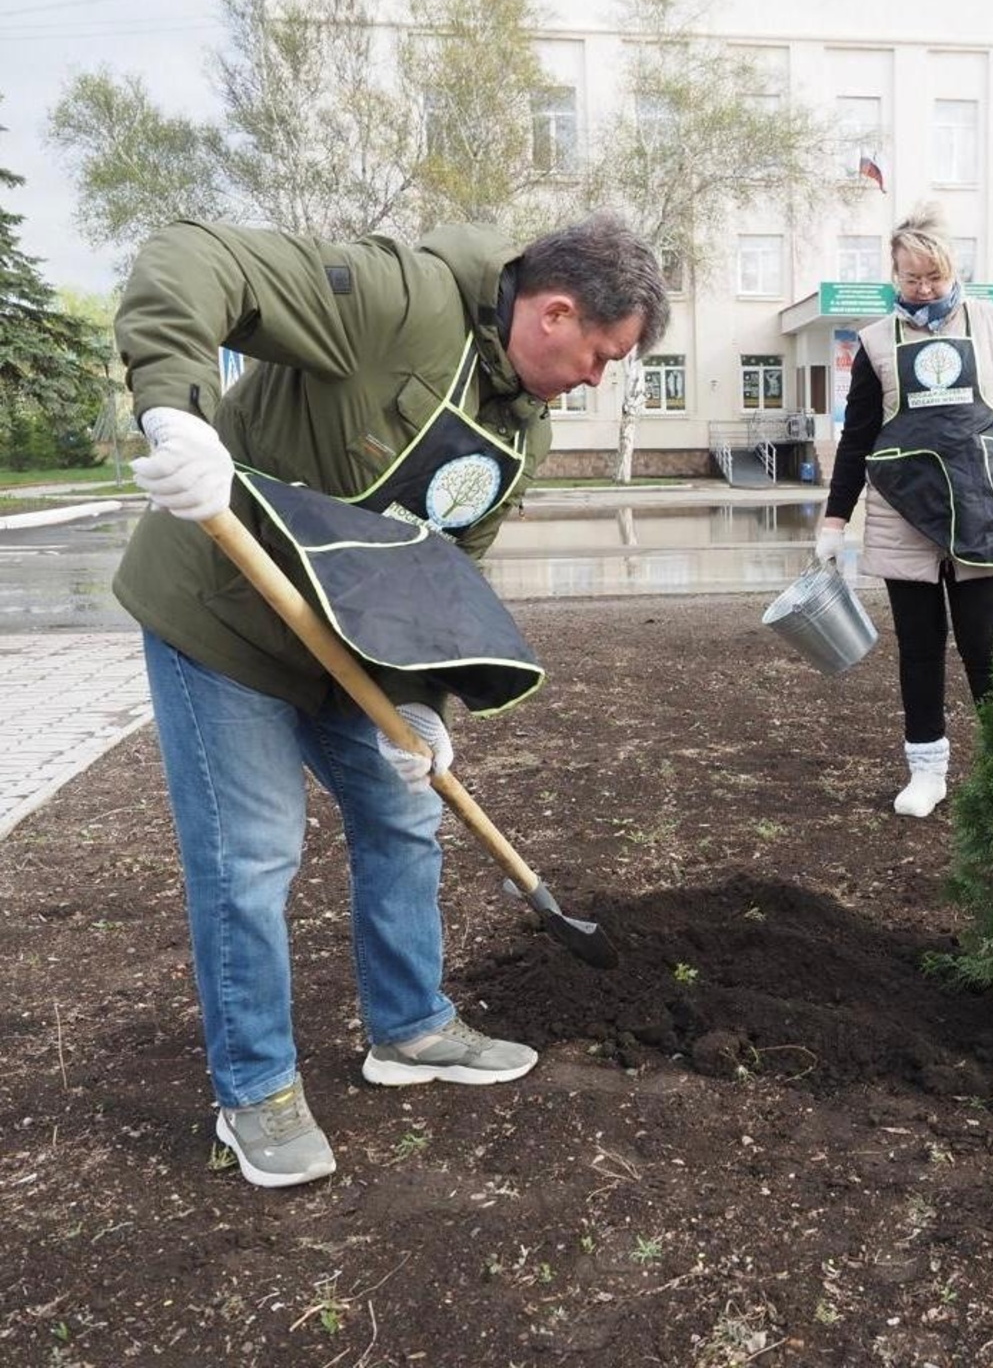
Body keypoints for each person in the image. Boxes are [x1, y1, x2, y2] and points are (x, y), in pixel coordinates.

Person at [114, 213, 670, 1186]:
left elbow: (436, 577)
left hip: (344, 649)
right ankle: (256, 1094)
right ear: (554, 311)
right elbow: (190, 258)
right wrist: (177, 409)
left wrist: (419, 711)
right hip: (225, 619)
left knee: (404, 814)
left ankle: (409, 1030)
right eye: (601, 355)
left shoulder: (517, 431)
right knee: (251, 854)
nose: (596, 378)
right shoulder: (399, 303)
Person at [815, 205, 993, 817]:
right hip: (903, 513)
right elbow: (858, 437)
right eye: (911, 279)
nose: (924, 291)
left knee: (987, 648)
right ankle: (927, 772)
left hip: (983, 510)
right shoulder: (875, 342)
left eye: (934, 278)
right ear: (895, 275)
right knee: (920, 648)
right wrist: (835, 519)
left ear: (951, 270)